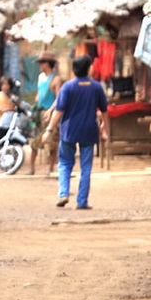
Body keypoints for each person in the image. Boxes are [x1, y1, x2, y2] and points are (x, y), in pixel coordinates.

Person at [42, 55, 108, 210]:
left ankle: (63, 194)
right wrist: (104, 126)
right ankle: (82, 201)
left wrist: (49, 130)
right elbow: (104, 110)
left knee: (64, 163)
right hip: (89, 131)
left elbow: (59, 111)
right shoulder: (96, 87)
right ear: (89, 68)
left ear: (74, 69)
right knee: (86, 167)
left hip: (69, 131)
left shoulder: (68, 87)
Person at [28, 52, 63, 175]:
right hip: (40, 112)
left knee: (52, 143)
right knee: (34, 142)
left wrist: (50, 110)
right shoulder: (40, 78)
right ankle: (32, 169)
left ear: (47, 64)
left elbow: (59, 98)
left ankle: (51, 169)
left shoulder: (56, 79)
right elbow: (39, 94)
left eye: (41, 63)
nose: (40, 66)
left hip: (50, 113)